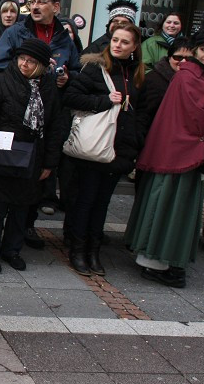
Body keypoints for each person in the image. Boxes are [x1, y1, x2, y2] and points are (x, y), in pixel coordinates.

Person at [125, 24, 204, 288]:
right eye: (203, 49)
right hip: (181, 152)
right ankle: (157, 261)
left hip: (181, 150)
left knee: (169, 206)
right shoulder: (191, 76)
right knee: (171, 207)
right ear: (195, 50)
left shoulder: (200, 75)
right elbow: (200, 117)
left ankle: (159, 260)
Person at [0, 39, 63, 274]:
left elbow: (55, 128)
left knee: (21, 209)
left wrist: (50, 162)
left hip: (33, 157)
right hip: (1, 155)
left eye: (31, 61)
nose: (24, 64)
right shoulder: (2, 82)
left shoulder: (49, 89)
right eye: (22, 59)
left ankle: (11, 250)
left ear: (42, 65)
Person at [62, 24, 144, 276]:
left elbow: (140, 114)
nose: (118, 45)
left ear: (134, 47)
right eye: (115, 40)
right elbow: (71, 98)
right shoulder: (96, 68)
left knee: (102, 204)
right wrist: (104, 101)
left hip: (119, 150)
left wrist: (135, 146)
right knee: (85, 201)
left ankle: (93, 251)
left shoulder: (137, 75)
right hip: (94, 149)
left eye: (124, 42)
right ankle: (77, 250)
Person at [137, 37, 194, 134]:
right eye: (178, 57)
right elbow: (143, 116)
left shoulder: (195, 82)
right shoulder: (153, 80)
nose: (183, 62)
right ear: (169, 57)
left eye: (189, 58)